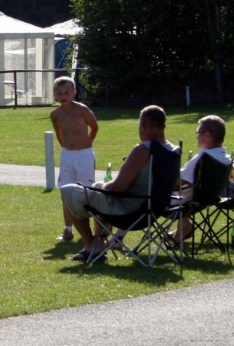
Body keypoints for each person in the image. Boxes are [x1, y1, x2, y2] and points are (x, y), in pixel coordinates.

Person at [60, 105, 174, 261]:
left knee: (68, 190)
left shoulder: (142, 150)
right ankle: (99, 242)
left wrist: (102, 187)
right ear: (164, 126)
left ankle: (91, 244)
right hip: (154, 210)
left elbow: (117, 188)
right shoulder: (173, 151)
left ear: (143, 126)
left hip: (131, 212)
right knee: (98, 187)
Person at [167, 114, 230, 244]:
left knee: (148, 193)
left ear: (207, 135)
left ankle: (118, 238)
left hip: (187, 202)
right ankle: (179, 232)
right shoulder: (225, 158)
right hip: (208, 198)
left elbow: (178, 180)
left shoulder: (204, 157)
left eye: (198, 133)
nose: (197, 136)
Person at [50, 76, 98, 243]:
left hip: (84, 154)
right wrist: (67, 147)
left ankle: (94, 229)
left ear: (74, 93)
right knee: (66, 191)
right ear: (54, 95)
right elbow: (59, 134)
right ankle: (68, 229)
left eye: (66, 92)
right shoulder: (55, 114)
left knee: (88, 191)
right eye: (59, 93)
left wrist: (87, 143)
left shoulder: (82, 109)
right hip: (67, 155)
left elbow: (94, 126)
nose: (63, 96)